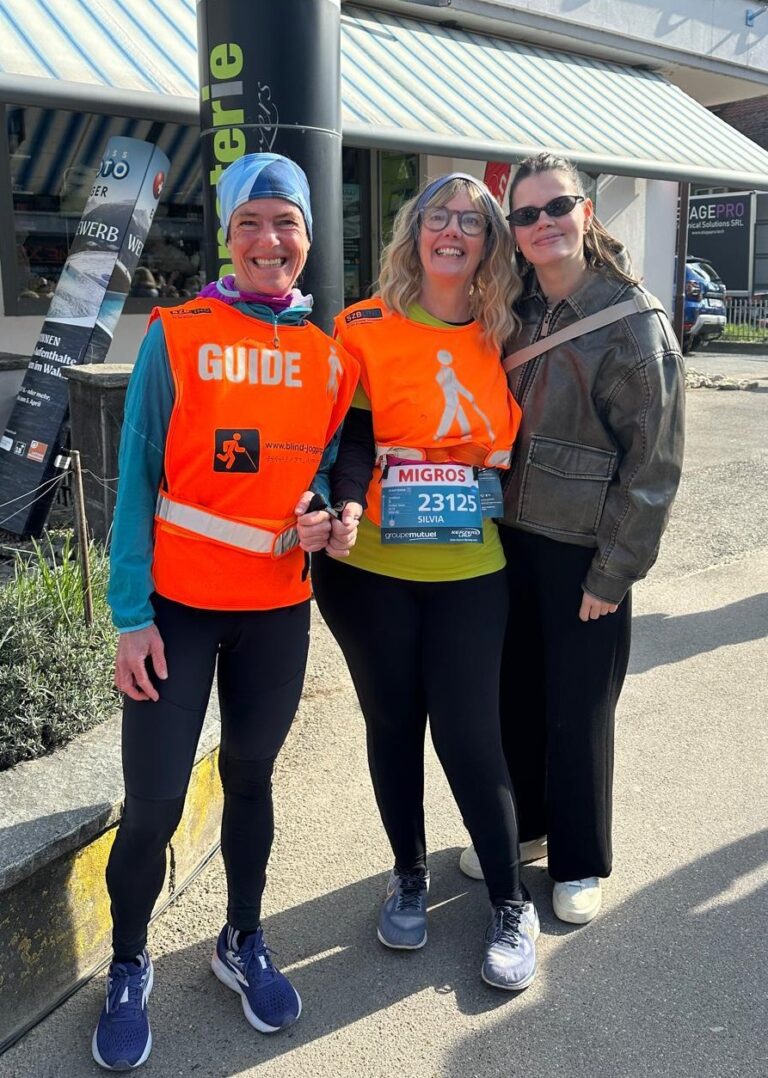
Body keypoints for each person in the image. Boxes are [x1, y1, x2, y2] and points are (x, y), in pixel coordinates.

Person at [92, 152, 358, 1071]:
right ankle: (128, 965)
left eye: (286, 223)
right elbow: (135, 484)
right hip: (177, 615)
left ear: (308, 240)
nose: (269, 240)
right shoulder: (175, 333)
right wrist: (132, 616)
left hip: (278, 614)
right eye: (252, 222)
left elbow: (318, 471)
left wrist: (330, 513)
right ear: (229, 236)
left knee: (252, 781)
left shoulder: (329, 359)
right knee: (156, 802)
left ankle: (240, 941)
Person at [311, 173, 541, 991]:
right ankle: (408, 872)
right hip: (371, 567)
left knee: (470, 735)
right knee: (393, 724)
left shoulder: (508, 330)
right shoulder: (363, 328)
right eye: (436, 217)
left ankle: (511, 901)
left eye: (470, 223)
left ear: (488, 245)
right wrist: (338, 504)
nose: (451, 231)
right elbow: (347, 441)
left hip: (472, 568)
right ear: (413, 233)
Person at [459, 152, 685, 926]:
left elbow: (652, 466)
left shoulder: (634, 321)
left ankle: (581, 857)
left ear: (586, 212)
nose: (542, 223)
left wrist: (613, 572)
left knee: (580, 703)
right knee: (511, 690)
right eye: (525, 214)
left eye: (557, 207)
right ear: (513, 230)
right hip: (505, 536)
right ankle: (524, 826)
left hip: (584, 546)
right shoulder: (510, 308)